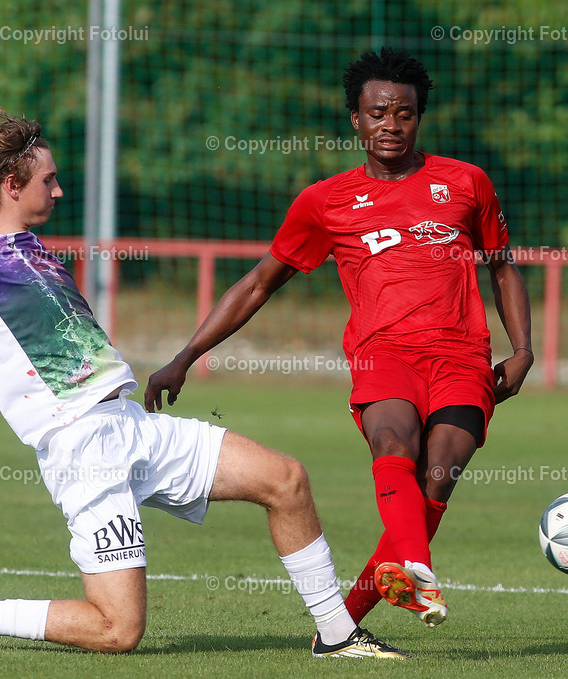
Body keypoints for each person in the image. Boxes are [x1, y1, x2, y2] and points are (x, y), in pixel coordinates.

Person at [0, 106, 405, 659]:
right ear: (12, 186)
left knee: (286, 481)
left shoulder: (27, 250)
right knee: (118, 631)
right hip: (83, 448)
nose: (60, 190)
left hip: (132, 425)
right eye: (49, 180)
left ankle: (338, 635)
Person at [145, 49, 533, 630]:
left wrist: (523, 349)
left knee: (439, 475)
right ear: (356, 118)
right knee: (393, 444)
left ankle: (348, 619)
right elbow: (257, 285)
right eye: (377, 113)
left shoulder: (465, 182)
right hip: (383, 355)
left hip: (461, 355)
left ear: (419, 117)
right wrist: (185, 356)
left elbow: (502, 267)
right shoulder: (325, 201)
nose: (390, 125)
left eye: (403, 113)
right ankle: (417, 570)